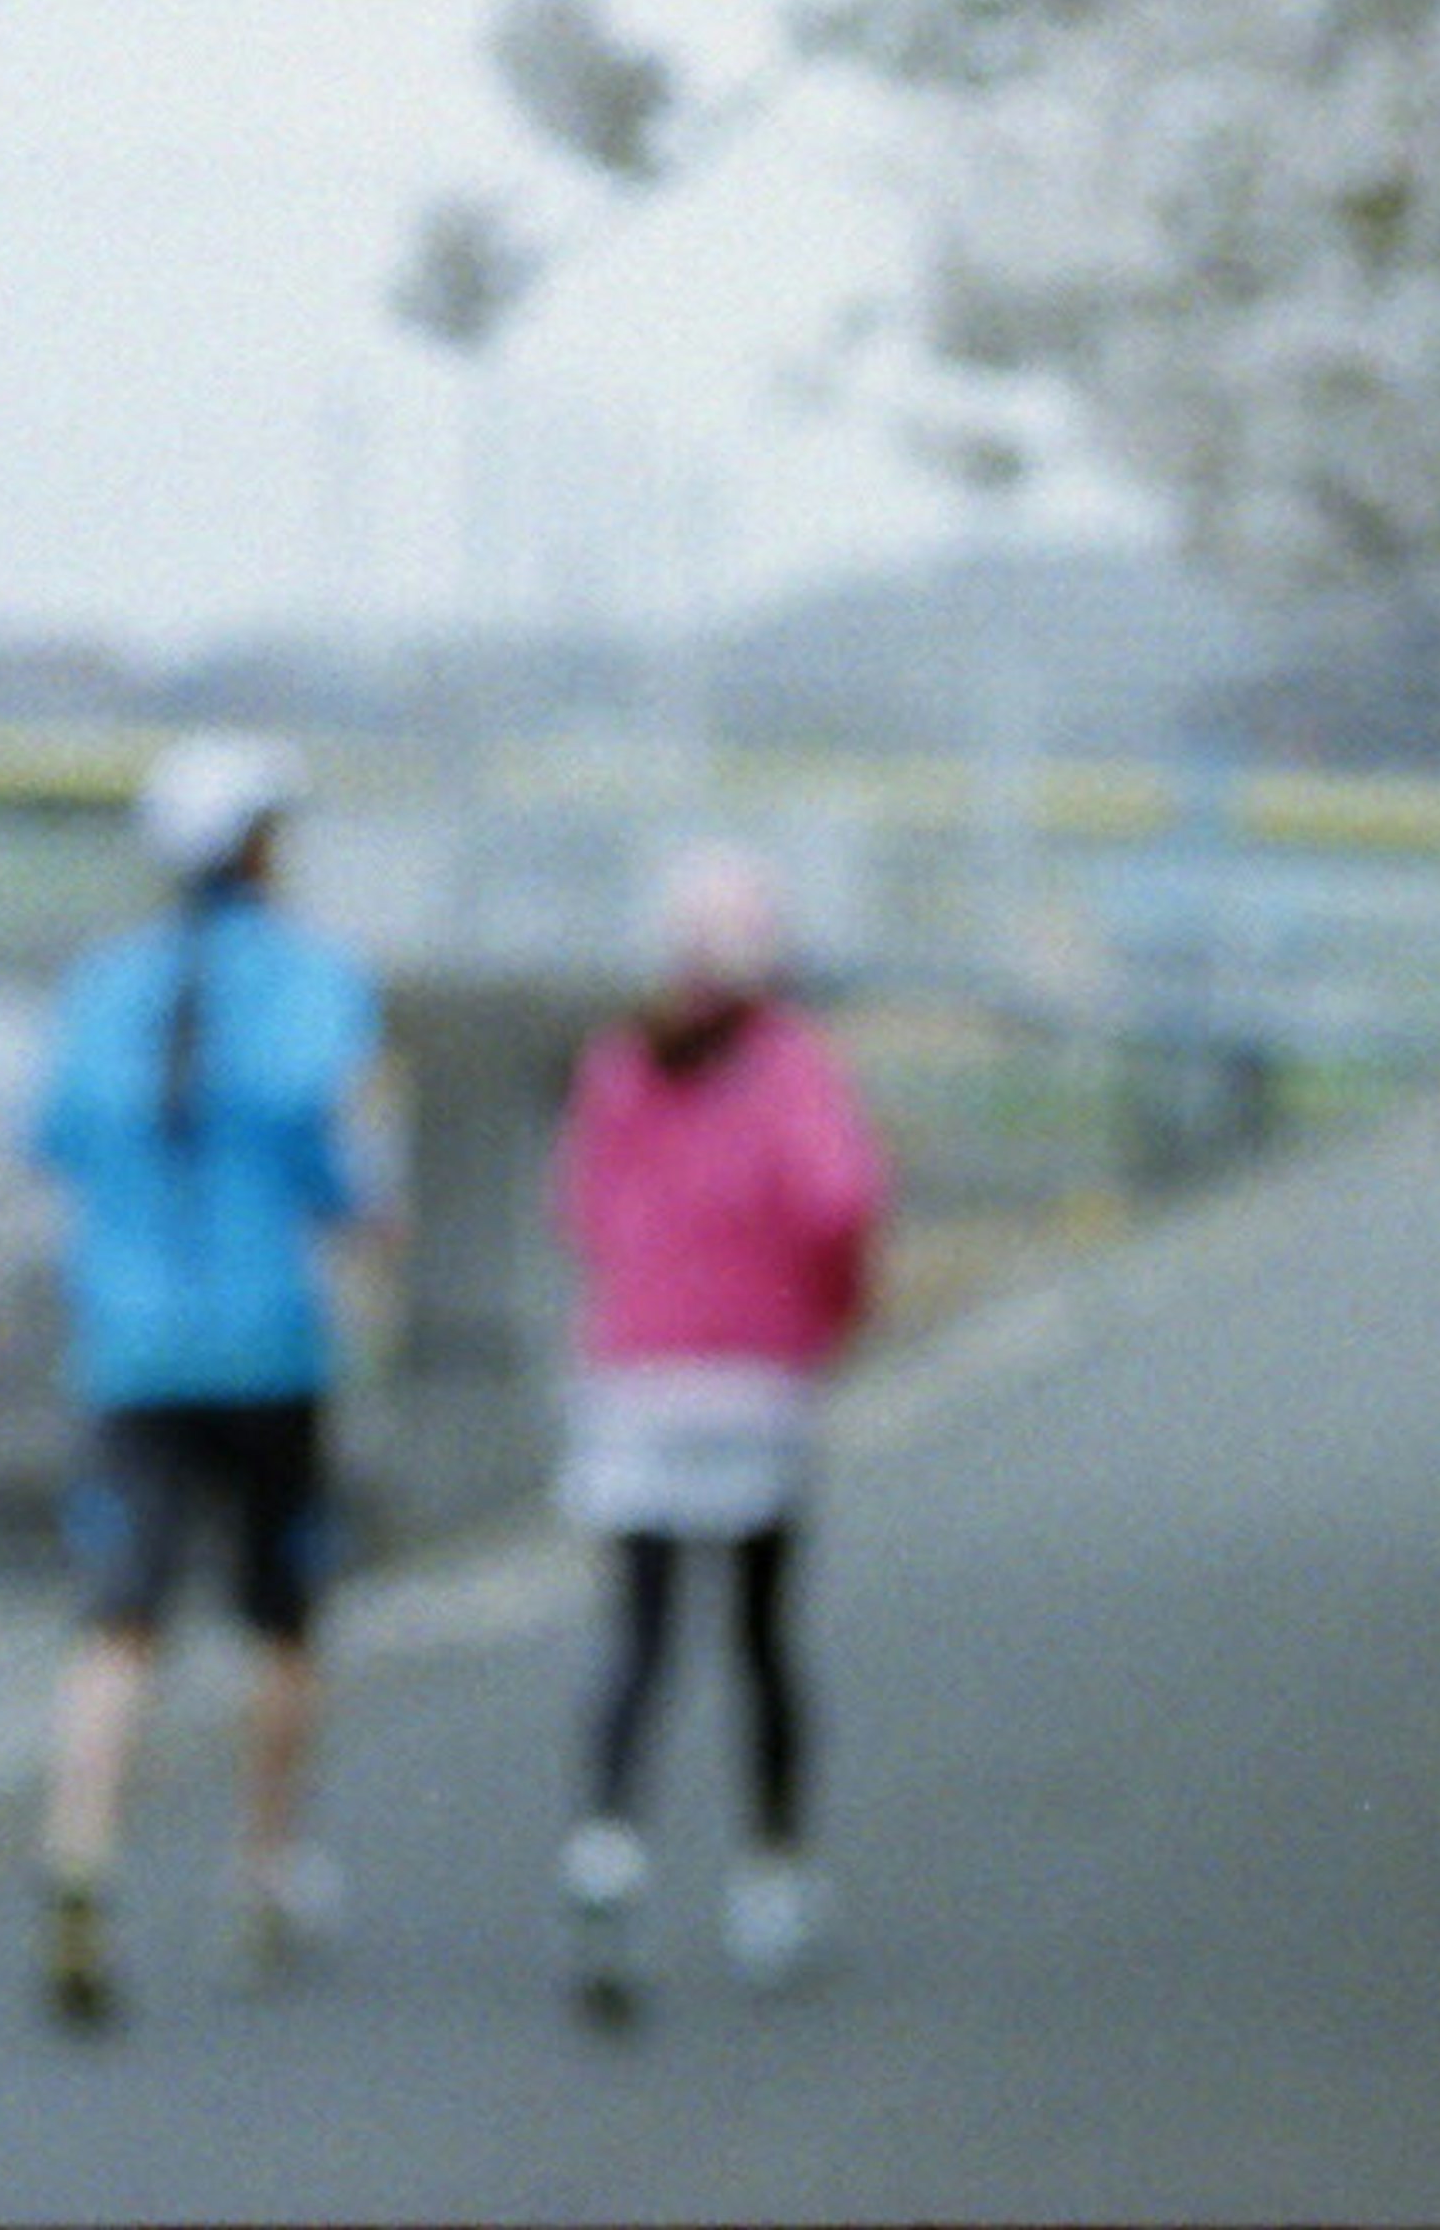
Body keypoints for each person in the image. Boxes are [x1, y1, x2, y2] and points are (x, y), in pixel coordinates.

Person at [29, 729, 390, 2024]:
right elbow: (344, 1173)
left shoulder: (100, 985)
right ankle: (262, 1867)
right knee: (279, 1621)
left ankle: (79, 1852)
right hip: (269, 1350)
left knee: (115, 1618)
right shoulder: (316, 981)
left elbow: (54, 1136)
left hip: (126, 1350)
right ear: (260, 844)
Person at [549, 843, 884, 2014]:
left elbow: (578, 1212)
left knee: (637, 1637)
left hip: (634, 1378)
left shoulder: (617, 1063)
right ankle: (772, 1879)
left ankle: (606, 1851)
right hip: (753, 1380)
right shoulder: (793, 1063)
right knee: (758, 1639)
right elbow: (841, 1202)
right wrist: (830, 1314)